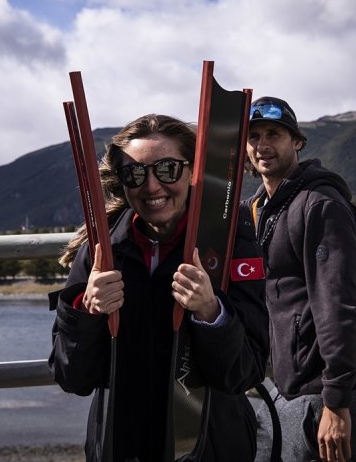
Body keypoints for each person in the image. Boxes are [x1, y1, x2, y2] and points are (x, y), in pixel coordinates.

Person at [49, 114, 269, 461]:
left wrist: (212, 312)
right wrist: (88, 310)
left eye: (167, 169)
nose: (151, 186)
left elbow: (244, 373)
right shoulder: (99, 251)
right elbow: (72, 377)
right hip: (119, 447)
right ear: (121, 182)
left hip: (208, 446)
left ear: (193, 171)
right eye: (135, 174)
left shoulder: (229, 243)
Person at [244, 97, 356, 462]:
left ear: (297, 142)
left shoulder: (319, 204)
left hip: (324, 394)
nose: (262, 145)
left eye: (274, 134)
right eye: (253, 136)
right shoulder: (261, 207)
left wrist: (336, 401)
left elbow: (338, 303)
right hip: (291, 385)